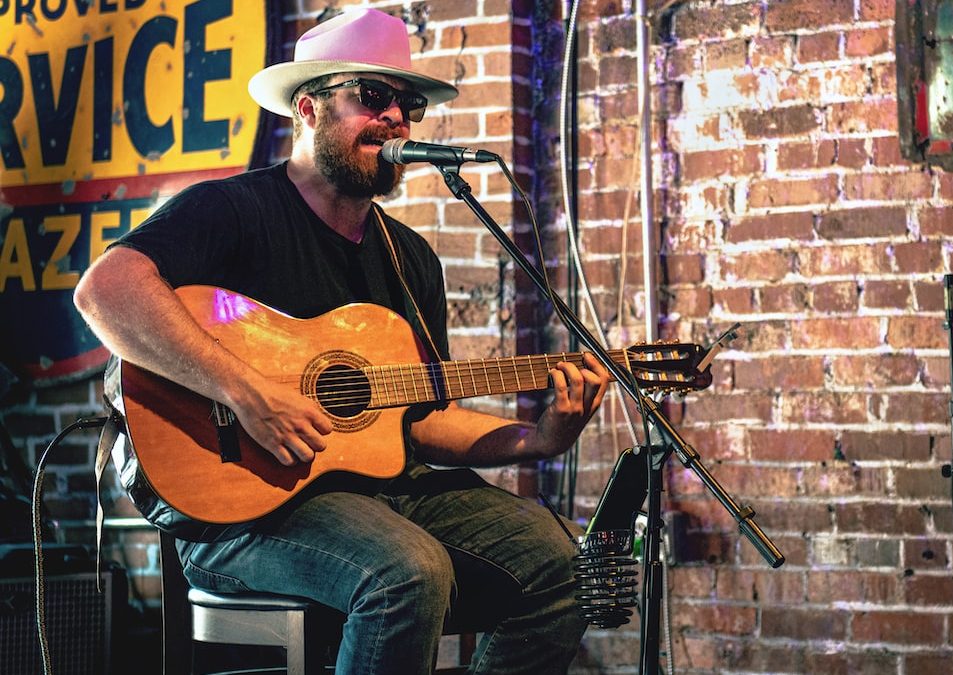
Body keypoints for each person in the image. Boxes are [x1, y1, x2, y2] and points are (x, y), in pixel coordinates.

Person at [73, 9, 608, 674]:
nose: (395, 119)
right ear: (309, 108)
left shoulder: (410, 258)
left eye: (406, 104)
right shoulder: (234, 211)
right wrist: (245, 393)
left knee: (562, 563)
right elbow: (107, 288)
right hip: (238, 510)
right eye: (373, 96)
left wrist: (540, 439)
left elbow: (424, 415)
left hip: (382, 492)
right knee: (408, 572)